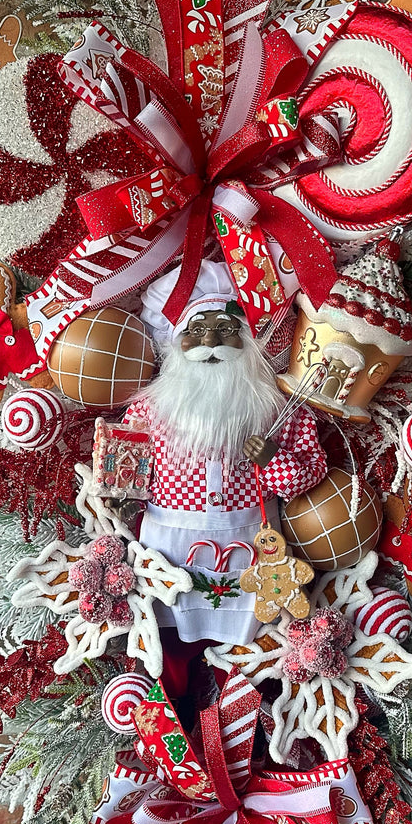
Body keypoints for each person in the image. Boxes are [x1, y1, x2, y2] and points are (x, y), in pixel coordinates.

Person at [122, 261, 327, 649]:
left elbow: (310, 473)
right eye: (196, 331)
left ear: (248, 342)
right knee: (169, 637)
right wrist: (115, 498)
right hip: (166, 547)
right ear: (175, 343)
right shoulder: (149, 410)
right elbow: (124, 470)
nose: (211, 341)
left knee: (248, 643)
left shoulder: (277, 410)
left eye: (226, 331)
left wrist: (271, 459)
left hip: (253, 545)